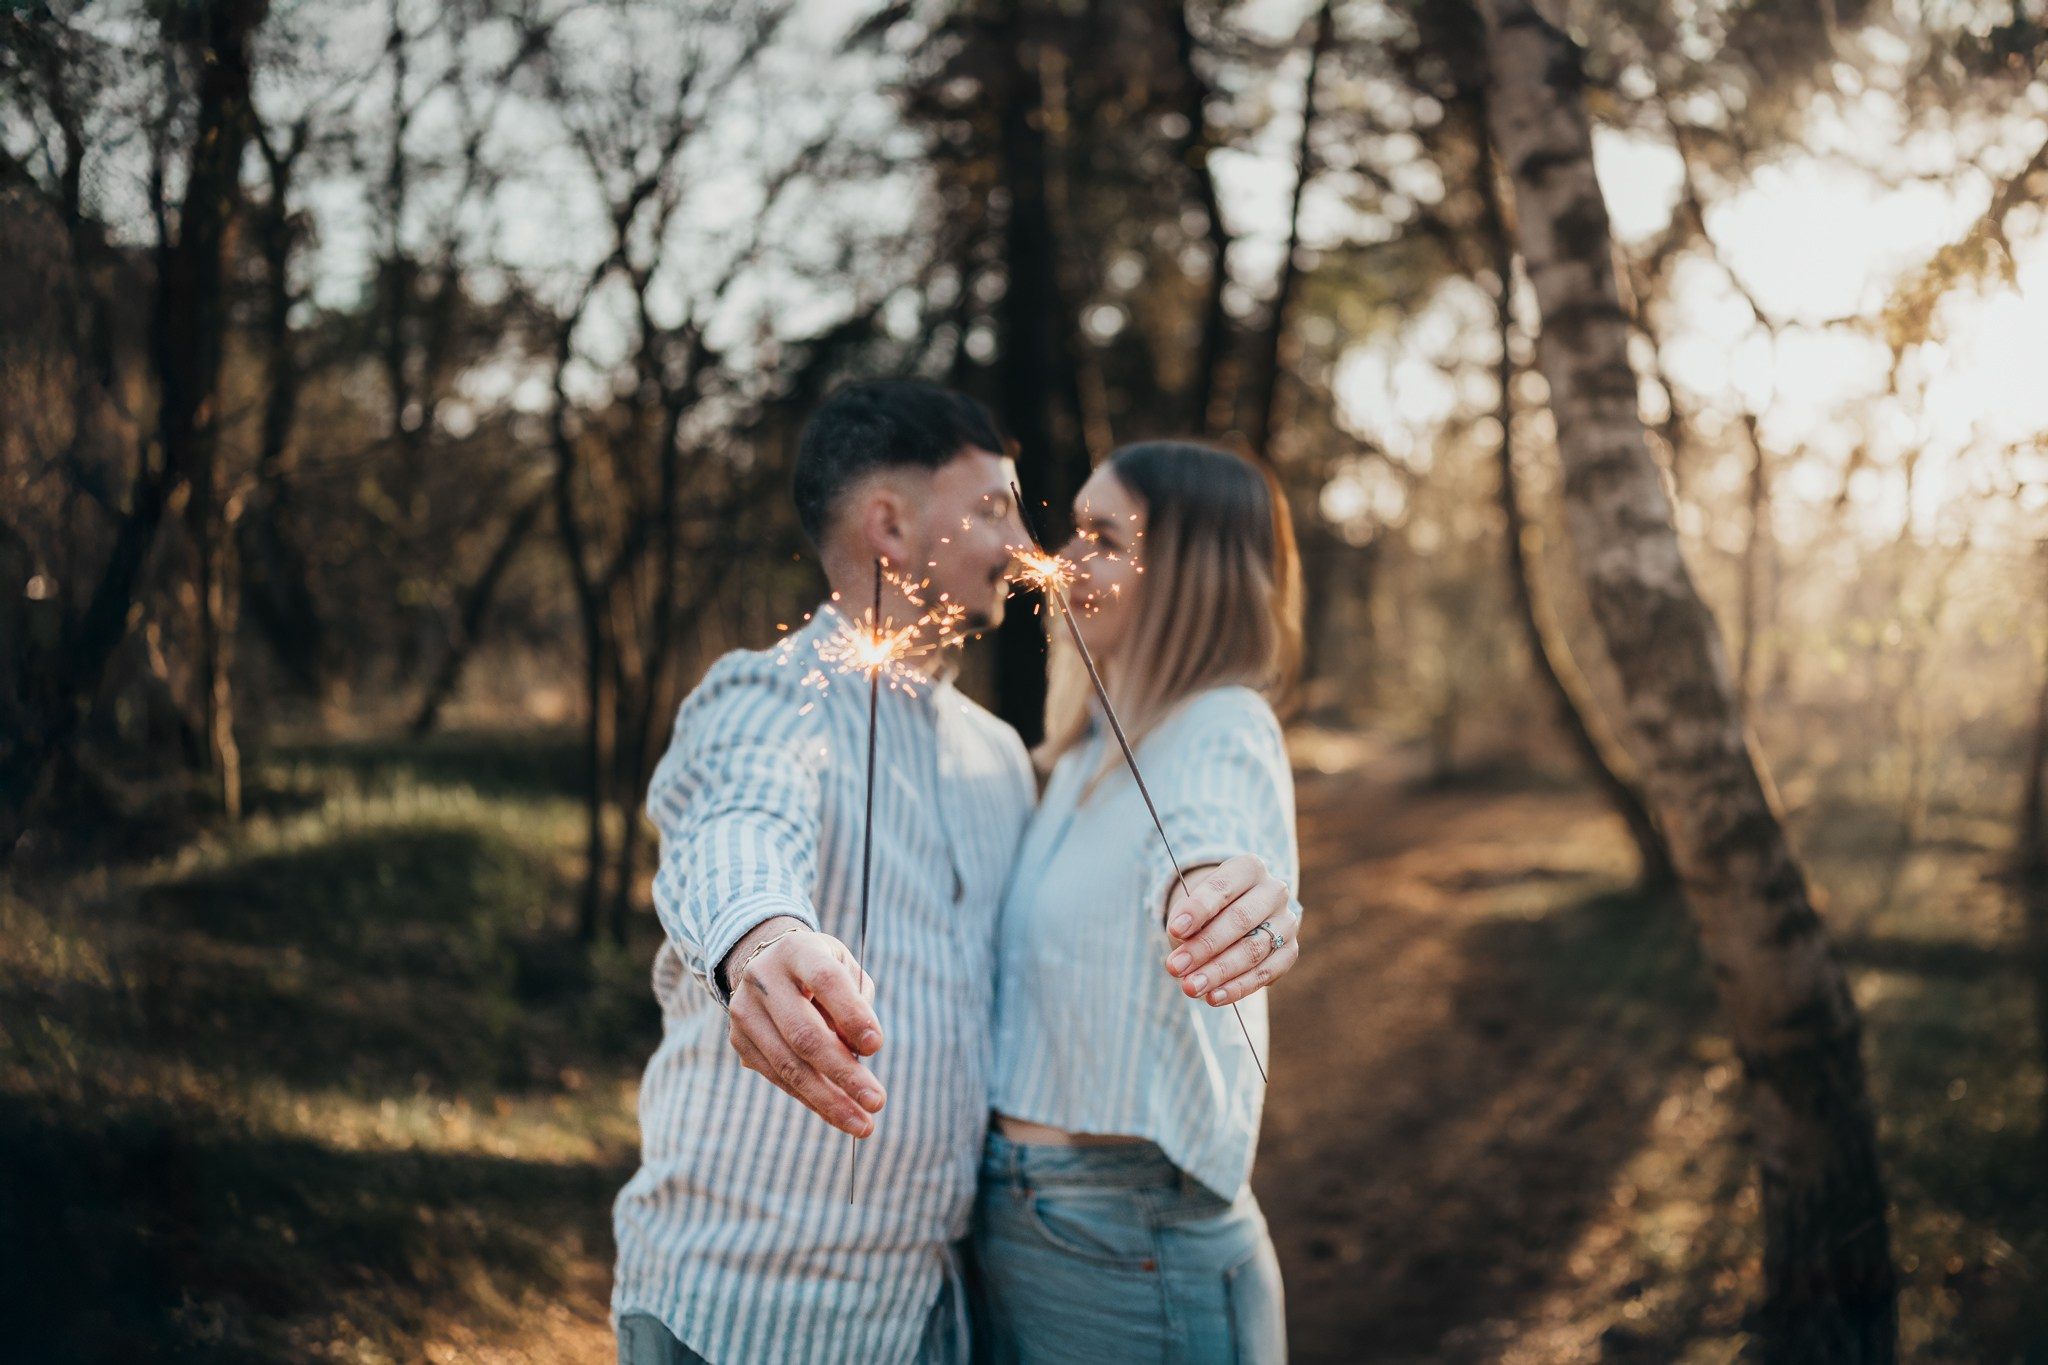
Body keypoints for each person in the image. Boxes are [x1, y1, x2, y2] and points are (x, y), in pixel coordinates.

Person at [612, 383, 1304, 1365]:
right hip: (748, 1307)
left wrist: (1222, 886)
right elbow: (734, 815)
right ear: (890, 525)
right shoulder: (769, 694)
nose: (1027, 548)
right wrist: (759, 936)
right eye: (991, 510)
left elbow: (1199, 828)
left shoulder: (999, 760)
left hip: (928, 1311)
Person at [972, 441, 1304, 1365]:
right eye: (1074, 531)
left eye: (1105, 538)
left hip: (1132, 1237)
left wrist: (1218, 894)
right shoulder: (1085, 754)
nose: (1066, 559)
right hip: (1032, 1225)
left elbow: (1203, 837)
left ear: (1187, 577)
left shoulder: (1222, 725)